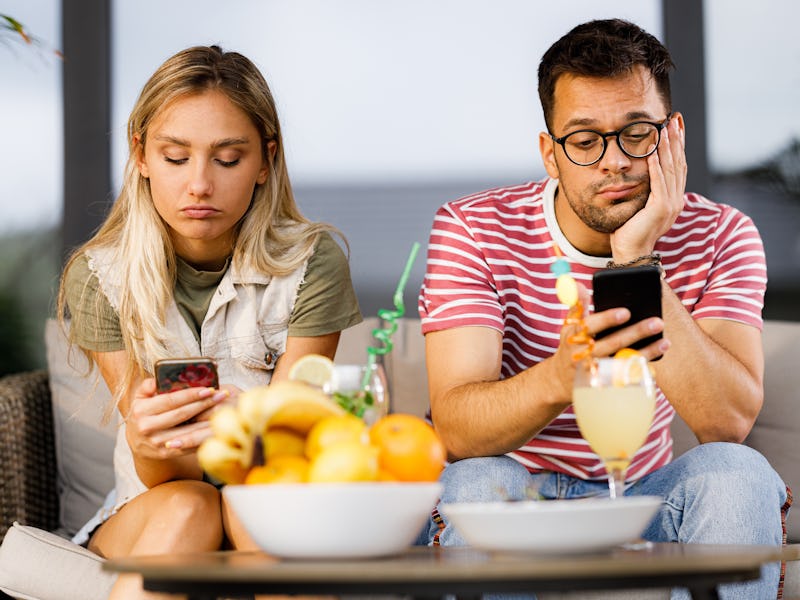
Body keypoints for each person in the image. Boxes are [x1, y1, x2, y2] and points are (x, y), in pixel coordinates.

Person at [416, 18, 789, 599]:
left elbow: (726, 424)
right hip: (520, 492)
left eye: (637, 133)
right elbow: (458, 432)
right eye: (585, 142)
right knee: (478, 482)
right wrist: (560, 377)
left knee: (737, 475)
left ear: (674, 134)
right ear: (550, 153)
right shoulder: (475, 229)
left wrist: (635, 261)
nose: (613, 161)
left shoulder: (722, 234)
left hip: (646, 496)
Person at [56, 45, 362, 599]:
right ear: (141, 155)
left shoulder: (313, 261)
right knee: (188, 508)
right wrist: (153, 443)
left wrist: (242, 429)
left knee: (258, 506)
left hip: (267, 485)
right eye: (176, 158)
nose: (199, 184)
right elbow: (166, 473)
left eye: (227, 159)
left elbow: (282, 449)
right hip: (151, 501)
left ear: (266, 160)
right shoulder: (100, 276)